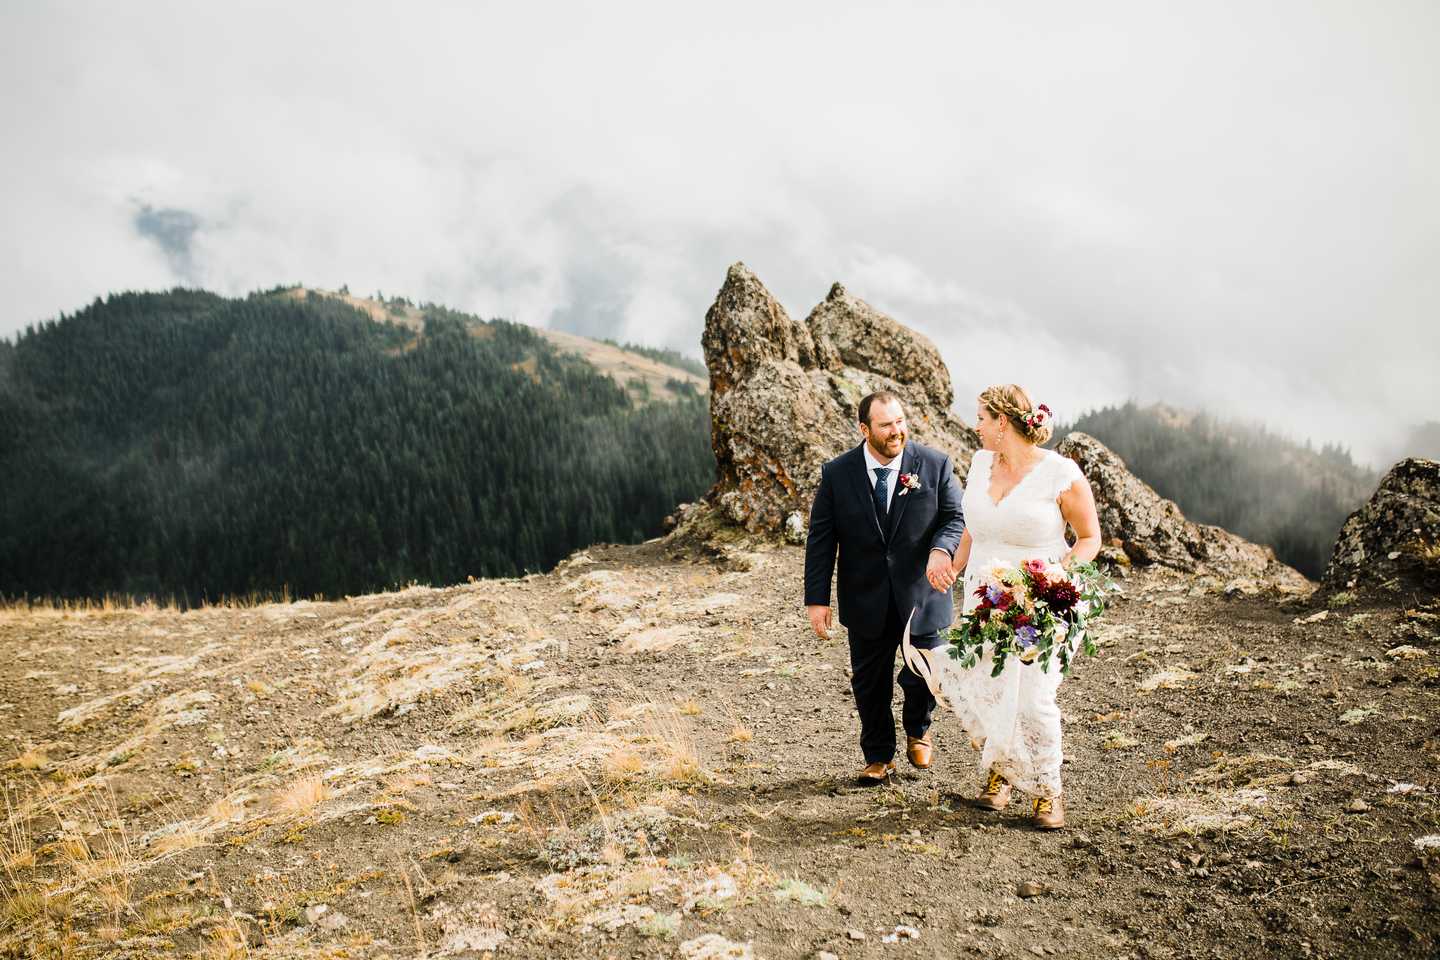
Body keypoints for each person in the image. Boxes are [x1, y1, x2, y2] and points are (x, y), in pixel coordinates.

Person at [905, 384, 1100, 828]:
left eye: (981, 418)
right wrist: (953, 566)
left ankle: (1049, 792)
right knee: (991, 690)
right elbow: (974, 527)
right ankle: (1001, 775)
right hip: (985, 596)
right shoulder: (978, 464)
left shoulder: (1059, 473)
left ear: (1003, 424)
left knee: (1033, 696)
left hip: (1040, 601)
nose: (974, 425)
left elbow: (1090, 537)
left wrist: (1058, 578)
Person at [804, 391, 966, 785]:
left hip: (922, 593)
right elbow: (821, 540)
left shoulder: (935, 464)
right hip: (865, 596)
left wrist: (942, 551)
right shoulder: (837, 474)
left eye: (900, 421)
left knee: (925, 673)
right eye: (886, 425)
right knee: (869, 682)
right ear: (864, 429)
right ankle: (878, 756)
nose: (897, 431)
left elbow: (955, 517)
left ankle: (918, 728)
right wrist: (816, 600)